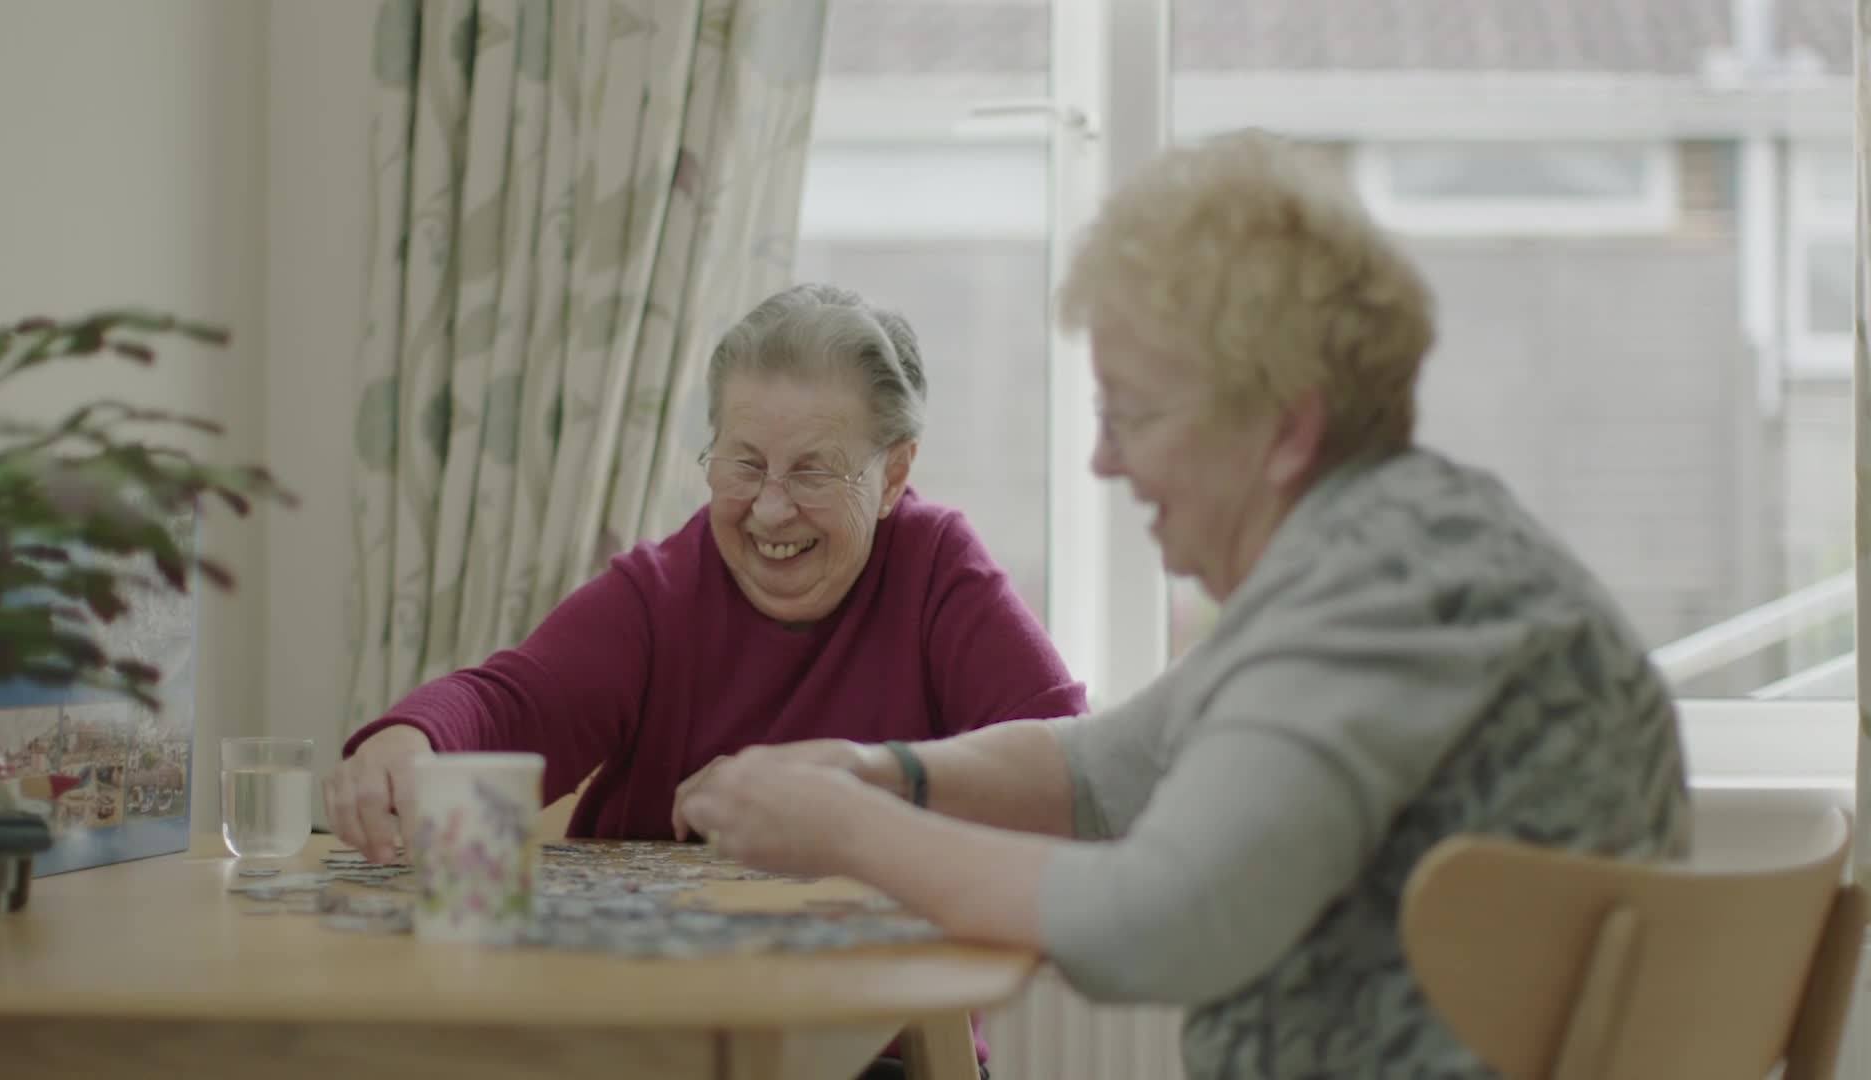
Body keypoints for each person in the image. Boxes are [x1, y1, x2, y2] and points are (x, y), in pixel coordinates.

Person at [672, 131, 1692, 1078]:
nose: (1106, 459)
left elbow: (1158, 921)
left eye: (1137, 416)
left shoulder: (1376, 599)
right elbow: (1103, 772)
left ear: (1288, 427)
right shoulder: (1400, 548)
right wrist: (878, 771)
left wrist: (847, 832)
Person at [325, 282, 1078, 1078]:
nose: (770, 510)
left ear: (893, 476)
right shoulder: (660, 593)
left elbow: (1071, 770)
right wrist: (410, 738)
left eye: (813, 473)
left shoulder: (937, 570)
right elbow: (512, 701)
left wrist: (848, 797)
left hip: (878, 1051)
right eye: (743, 465)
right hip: (650, 1049)